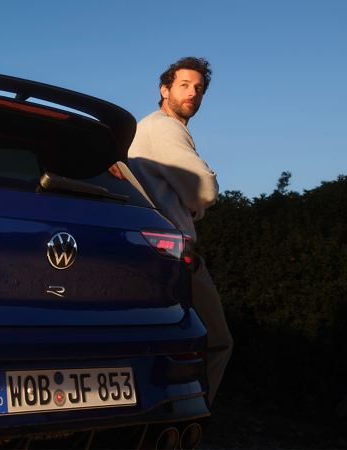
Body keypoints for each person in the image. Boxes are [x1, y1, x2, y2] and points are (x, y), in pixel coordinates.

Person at [110, 56, 233, 406]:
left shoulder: (146, 128)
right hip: (175, 251)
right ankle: (192, 415)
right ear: (164, 90)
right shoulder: (164, 127)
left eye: (199, 88)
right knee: (216, 339)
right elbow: (204, 187)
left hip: (149, 247)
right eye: (184, 85)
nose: (192, 93)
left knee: (161, 339)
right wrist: (196, 205)